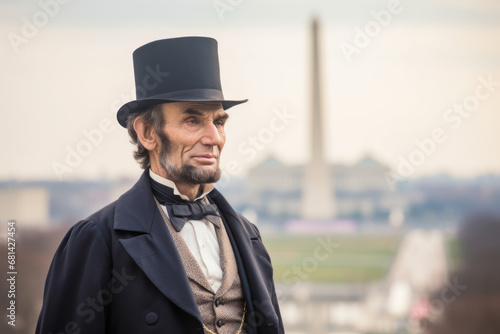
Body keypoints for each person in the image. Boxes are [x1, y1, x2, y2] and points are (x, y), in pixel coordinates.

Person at [36, 37, 283, 334]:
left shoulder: (249, 235)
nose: (214, 138)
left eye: (219, 122)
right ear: (147, 133)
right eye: (193, 120)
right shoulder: (96, 239)